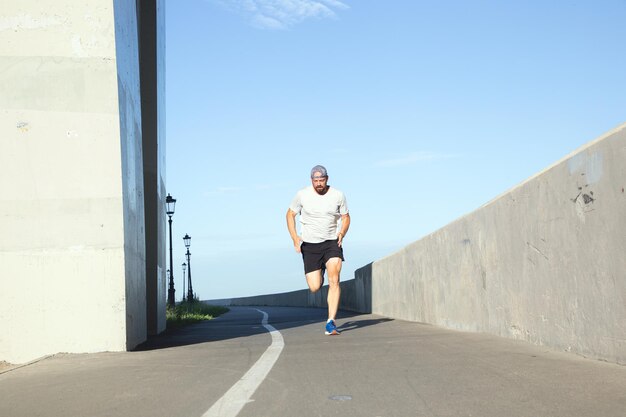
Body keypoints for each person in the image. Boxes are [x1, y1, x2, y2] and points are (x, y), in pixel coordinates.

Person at [286, 165, 350, 335]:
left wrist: (342, 232)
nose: (319, 184)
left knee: (335, 279)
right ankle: (320, 269)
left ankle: (331, 322)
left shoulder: (338, 195)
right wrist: (295, 238)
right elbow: (289, 214)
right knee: (314, 287)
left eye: (322, 180)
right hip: (310, 245)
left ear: (327, 179)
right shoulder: (302, 194)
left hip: (331, 242)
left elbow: (346, 217)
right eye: (316, 181)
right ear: (311, 181)